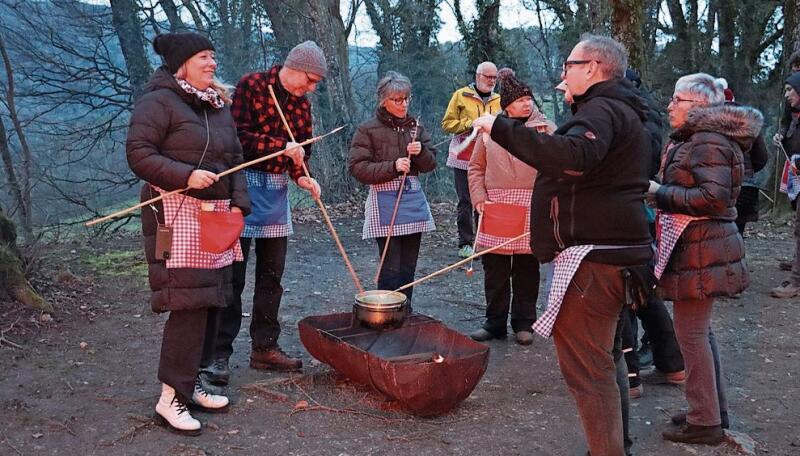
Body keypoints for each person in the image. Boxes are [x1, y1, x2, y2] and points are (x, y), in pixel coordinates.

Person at [474, 34, 653, 456]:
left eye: (568, 66)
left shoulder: (604, 109)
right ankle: (613, 447)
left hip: (596, 257)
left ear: (592, 67)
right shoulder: (625, 111)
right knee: (604, 361)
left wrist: (500, 127)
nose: (563, 74)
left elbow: (571, 156)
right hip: (615, 252)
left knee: (589, 371)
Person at [126, 32, 250, 435]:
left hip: (216, 216)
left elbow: (235, 159)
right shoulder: (158, 102)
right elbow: (139, 153)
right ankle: (170, 397)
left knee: (215, 299)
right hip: (176, 215)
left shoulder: (216, 105)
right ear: (181, 64)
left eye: (213, 55)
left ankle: (192, 382)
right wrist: (186, 175)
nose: (212, 62)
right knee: (189, 303)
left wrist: (238, 203)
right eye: (203, 57)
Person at [647, 73, 761, 445]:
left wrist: (659, 193)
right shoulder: (700, 139)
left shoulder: (708, 141)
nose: (670, 106)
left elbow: (713, 198)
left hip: (701, 246)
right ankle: (711, 409)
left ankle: (705, 421)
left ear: (698, 106)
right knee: (698, 333)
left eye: (677, 100)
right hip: (700, 247)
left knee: (691, 336)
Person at [205, 41, 326, 383]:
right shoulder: (252, 85)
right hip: (242, 189)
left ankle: (264, 348)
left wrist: (304, 178)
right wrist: (279, 147)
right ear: (295, 67)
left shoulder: (302, 105)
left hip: (275, 196)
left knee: (272, 278)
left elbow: (301, 154)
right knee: (233, 277)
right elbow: (235, 138)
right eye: (310, 79)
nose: (311, 88)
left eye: (316, 83)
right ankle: (218, 354)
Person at [467, 69, 555, 345]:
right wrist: (478, 196)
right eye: (520, 100)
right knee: (495, 269)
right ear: (507, 105)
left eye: (529, 99)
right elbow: (475, 168)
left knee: (527, 270)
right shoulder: (489, 130)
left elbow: (556, 168)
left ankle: (524, 322)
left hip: (532, 207)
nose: (527, 104)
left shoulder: (546, 129)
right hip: (495, 208)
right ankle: (495, 322)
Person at [348, 71, 437, 299]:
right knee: (390, 267)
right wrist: (393, 166)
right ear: (383, 101)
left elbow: (430, 164)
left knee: (408, 268)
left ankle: (404, 312)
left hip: (412, 201)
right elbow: (358, 168)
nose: (404, 104)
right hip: (384, 202)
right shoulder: (367, 129)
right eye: (398, 100)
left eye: (407, 98)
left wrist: (421, 152)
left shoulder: (416, 128)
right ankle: (384, 313)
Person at [442, 62, 501, 258]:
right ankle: (465, 243)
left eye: (494, 78)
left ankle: (484, 241)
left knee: (484, 200)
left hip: (488, 157)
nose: (492, 81)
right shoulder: (461, 95)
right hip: (463, 157)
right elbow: (447, 124)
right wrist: (470, 123)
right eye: (488, 77)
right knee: (466, 200)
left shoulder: (499, 99)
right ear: (478, 76)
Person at [772, 71, 800, 298]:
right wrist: (781, 135)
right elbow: (786, 127)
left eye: (790, 90)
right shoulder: (792, 114)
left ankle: (796, 280)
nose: (787, 94)